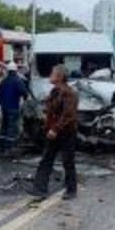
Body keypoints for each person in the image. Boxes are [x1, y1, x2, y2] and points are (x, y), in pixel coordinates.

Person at [30, 65, 79, 200]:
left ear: (59, 77)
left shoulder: (69, 93)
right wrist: (46, 122)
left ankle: (71, 190)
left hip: (66, 132)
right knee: (46, 159)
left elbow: (68, 115)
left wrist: (55, 129)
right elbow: (52, 112)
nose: (50, 76)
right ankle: (39, 188)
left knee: (67, 161)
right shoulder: (54, 91)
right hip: (53, 131)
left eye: (52, 73)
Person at [0, 61, 28, 158]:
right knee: (11, 127)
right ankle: (9, 148)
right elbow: (24, 92)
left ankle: (1, 145)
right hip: (13, 107)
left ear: (8, 70)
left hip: (4, 108)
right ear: (16, 70)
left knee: (4, 126)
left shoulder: (3, 81)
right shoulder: (17, 80)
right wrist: (25, 98)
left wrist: (2, 103)